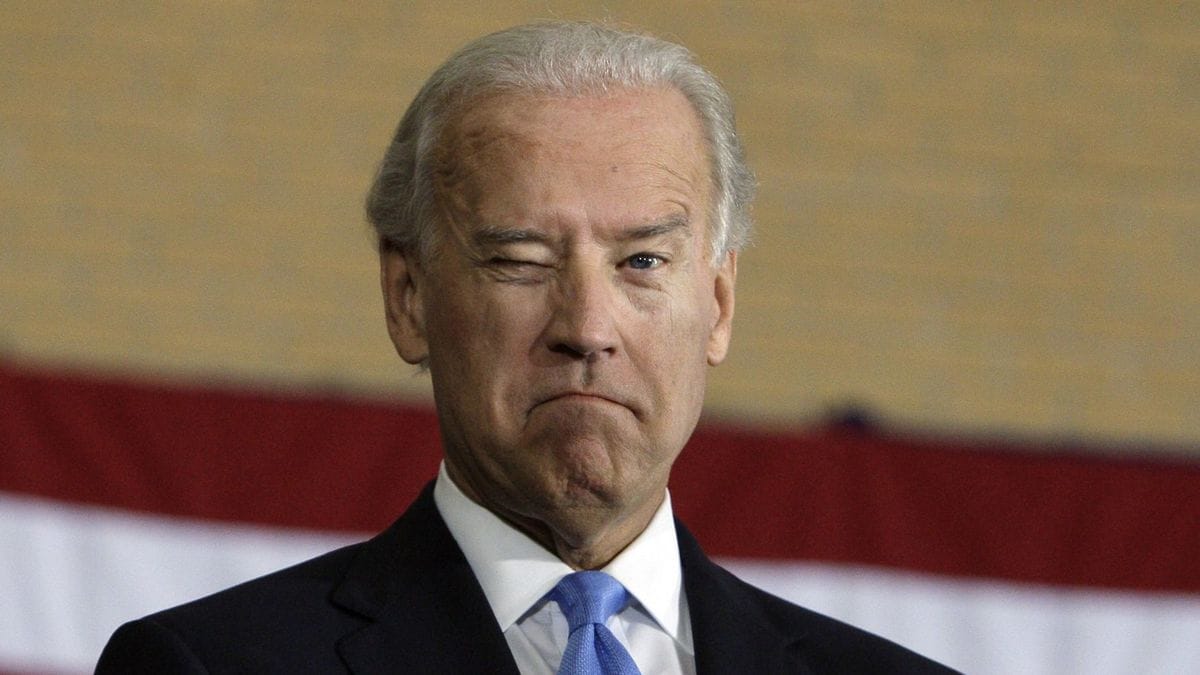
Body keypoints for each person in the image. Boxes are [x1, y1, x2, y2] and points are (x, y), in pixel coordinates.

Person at [97, 21, 957, 674]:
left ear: (720, 304)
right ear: (408, 298)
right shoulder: (204, 664)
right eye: (520, 261)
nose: (586, 327)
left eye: (642, 261)